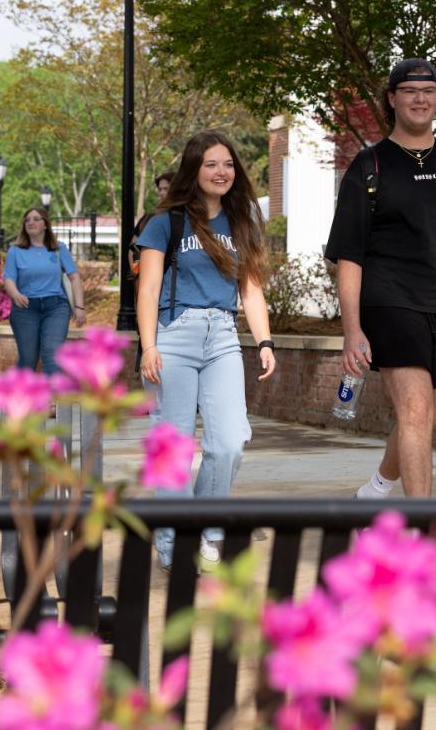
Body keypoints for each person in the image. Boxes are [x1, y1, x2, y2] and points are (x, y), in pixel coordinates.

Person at [324, 59, 436, 570]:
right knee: (416, 414)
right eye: (410, 91)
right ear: (391, 99)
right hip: (391, 300)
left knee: (426, 416)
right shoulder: (369, 166)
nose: (421, 99)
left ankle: (374, 492)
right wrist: (352, 329)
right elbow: (348, 255)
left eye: (429, 91)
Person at [136, 130, 276, 570]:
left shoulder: (241, 225)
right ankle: (172, 541)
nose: (222, 172)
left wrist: (265, 341)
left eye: (229, 164)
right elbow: (149, 287)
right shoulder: (166, 223)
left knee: (231, 440)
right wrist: (147, 346)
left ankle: (207, 530)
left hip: (222, 338)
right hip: (173, 335)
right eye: (212, 164)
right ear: (194, 170)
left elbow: (251, 289)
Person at [3, 207, 86, 375]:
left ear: (45, 224)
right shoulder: (15, 251)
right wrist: (16, 294)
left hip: (56, 308)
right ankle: (19, 398)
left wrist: (80, 307)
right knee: (28, 360)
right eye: (27, 220)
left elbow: (74, 278)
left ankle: (50, 401)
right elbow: (9, 279)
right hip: (26, 309)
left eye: (35, 219)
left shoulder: (59, 248)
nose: (31, 222)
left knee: (52, 356)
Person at [128, 170, 175, 284]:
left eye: (166, 189)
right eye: (160, 189)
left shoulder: (188, 217)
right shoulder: (149, 218)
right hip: (150, 284)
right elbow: (133, 249)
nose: (162, 193)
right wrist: (138, 274)